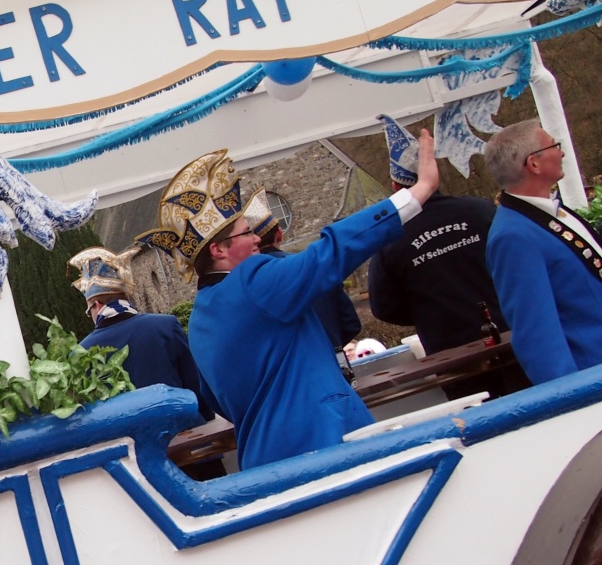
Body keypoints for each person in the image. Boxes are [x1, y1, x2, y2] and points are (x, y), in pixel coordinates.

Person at [137, 131, 440, 470]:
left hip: (266, 461)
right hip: (325, 444)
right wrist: (416, 195)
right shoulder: (253, 281)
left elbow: (215, 399)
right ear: (217, 250)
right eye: (246, 232)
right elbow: (329, 252)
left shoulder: (199, 319)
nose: (256, 239)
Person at [369, 115, 512, 355]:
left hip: (450, 355)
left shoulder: (390, 239)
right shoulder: (481, 210)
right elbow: (517, 262)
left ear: (395, 187)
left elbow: (384, 307)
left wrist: (429, 313)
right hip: (512, 334)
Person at [484, 119, 602, 384]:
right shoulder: (513, 236)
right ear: (534, 163)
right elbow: (536, 335)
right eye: (554, 146)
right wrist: (572, 397)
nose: (561, 153)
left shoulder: (548, 213)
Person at [67, 245, 213, 420]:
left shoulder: (80, 354)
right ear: (126, 297)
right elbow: (196, 386)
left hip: (126, 444)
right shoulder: (166, 326)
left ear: (97, 305)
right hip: (185, 432)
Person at [246, 188, 361, 349]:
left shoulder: (248, 286)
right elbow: (351, 324)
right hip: (335, 363)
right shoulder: (316, 266)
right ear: (279, 234)